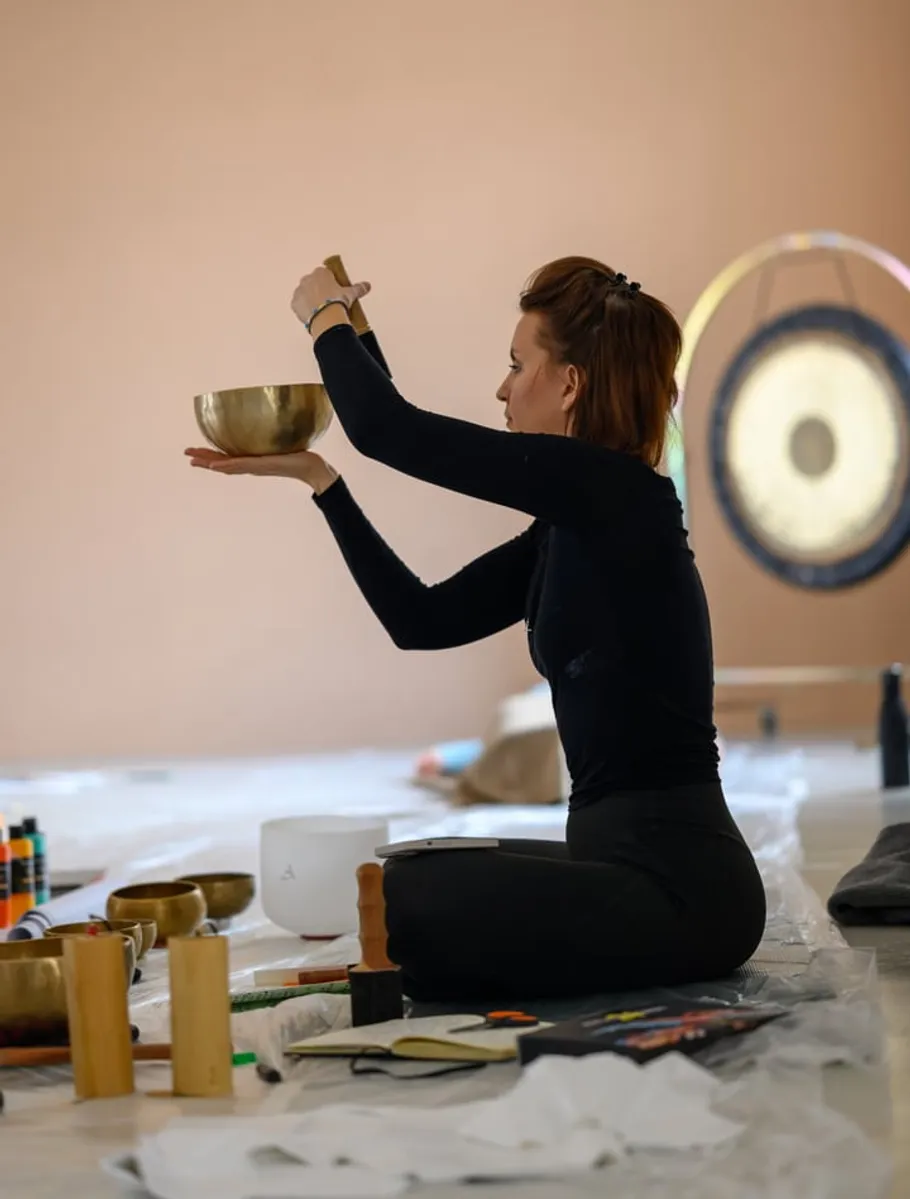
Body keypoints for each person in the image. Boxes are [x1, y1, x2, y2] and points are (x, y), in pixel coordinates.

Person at [186, 256, 766, 1002]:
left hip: (685, 891)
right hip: (620, 871)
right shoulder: (571, 522)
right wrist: (320, 482)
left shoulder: (617, 496)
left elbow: (389, 429)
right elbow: (420, 619)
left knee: (418, 902)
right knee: (411, 873)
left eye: (518, 363)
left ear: (569, 383)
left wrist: (322, 315)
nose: (501, 386)